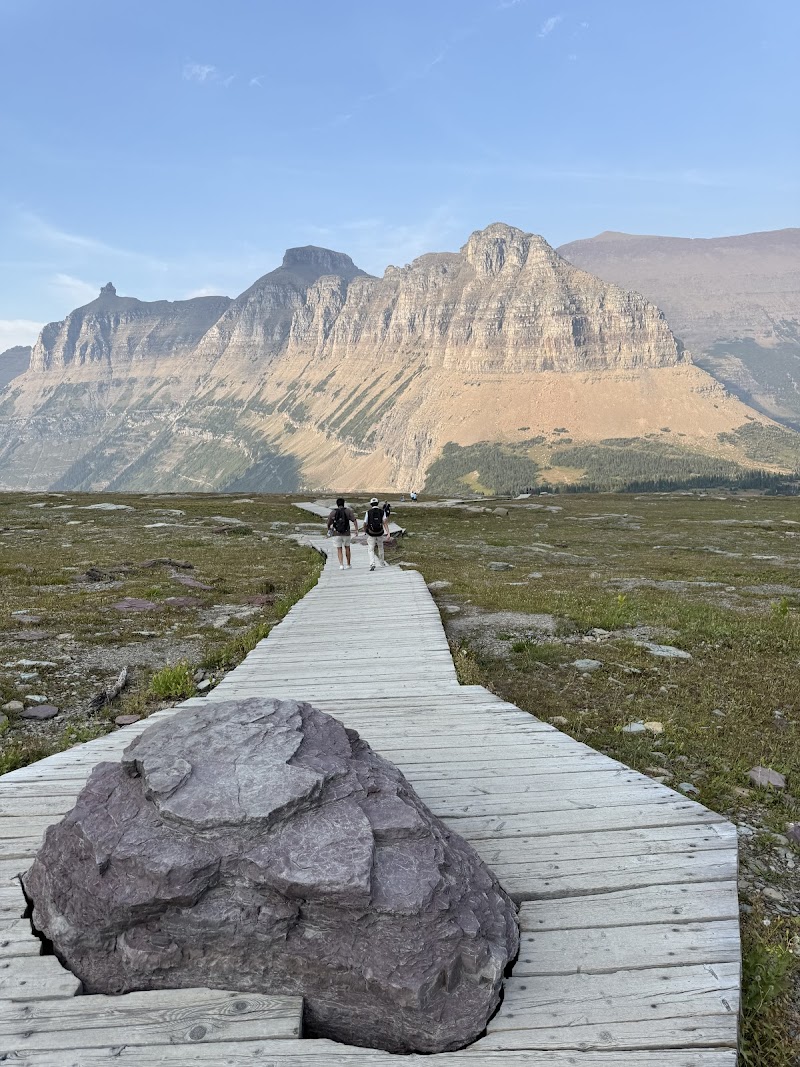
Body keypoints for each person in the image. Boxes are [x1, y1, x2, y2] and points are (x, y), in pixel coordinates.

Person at [326, 497, 358, 569]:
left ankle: (341, 565)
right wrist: (356, 530)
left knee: (339, 549)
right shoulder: (348, 511)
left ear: (337, 504)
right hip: (346, 533)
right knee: (347, 548)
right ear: (344, 504)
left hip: (336, 534)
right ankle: (348, 564)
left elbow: (328, 523)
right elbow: (354, 520)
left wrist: (329, 530)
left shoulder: (333, 512)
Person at [363, 496, 389, 571]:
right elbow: (385, 522)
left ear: (371, 504)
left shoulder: (368, 512)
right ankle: (382, 563)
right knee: (380, 547)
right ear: (377, 503)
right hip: (380, 532)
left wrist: (366, 531)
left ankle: (372, 564)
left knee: (371, 549)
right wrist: (388, 533)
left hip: (371, 533)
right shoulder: (382, 511)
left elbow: (365, 523)